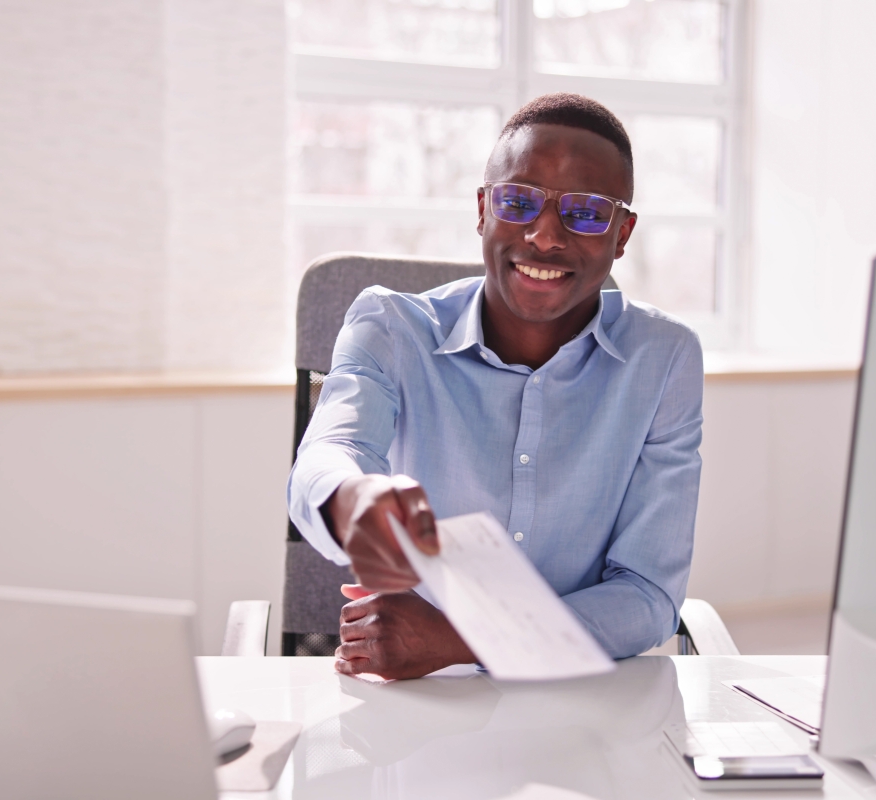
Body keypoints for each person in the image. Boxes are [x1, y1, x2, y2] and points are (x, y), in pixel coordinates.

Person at [287, 93, 703, 680]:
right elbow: (332, 451)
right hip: (422, 701)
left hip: (580, 703)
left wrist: (465, 640)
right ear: (483, 208)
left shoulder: (663, 358)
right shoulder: (390, 326)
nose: (545, 236)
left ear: (624, 232)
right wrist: (352, 499)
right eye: (518, 202)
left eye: (586, 213)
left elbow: (647, 594)